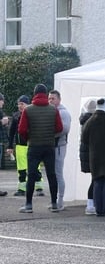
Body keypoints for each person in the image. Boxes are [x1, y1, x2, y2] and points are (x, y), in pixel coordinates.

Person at [18, 84, 63, 213]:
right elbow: (59, 128)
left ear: (35, 93)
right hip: (49, 146)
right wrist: (50, 134)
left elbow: (21, 129)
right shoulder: (54, 110)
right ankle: (54, 203)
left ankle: (28, 205)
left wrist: (29, 137)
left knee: (31, 175)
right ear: (45, 94)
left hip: (34, 146)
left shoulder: (28, 110)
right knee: (51, 174)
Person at [7, 95, 43, 197]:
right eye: (18, 104)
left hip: (32, 144)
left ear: (28, 104)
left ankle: (39, 187)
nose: (19, 106)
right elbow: (12, 132)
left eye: (22, 104)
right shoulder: (15, 116)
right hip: (20, 146)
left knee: (36, 167)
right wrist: (10, 146)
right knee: (21, 168)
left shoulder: (33, 114)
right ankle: (22, 189)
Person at [48, 90, 71, 211]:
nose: (50, 101)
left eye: (53, 98)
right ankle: (55, 200)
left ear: (59, 99)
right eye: (49, 98)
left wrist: (49, 134)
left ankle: (60, 201)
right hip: (53, 146)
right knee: (53, 174)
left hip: (59, 147)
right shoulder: (52, 111)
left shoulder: (63, 113)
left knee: (58, 173)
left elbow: (64, 129)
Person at [79, 100, 97, 214]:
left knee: (94, 179)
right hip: (92, 152)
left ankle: (91, 204)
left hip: (85, 152)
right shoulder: (93, 121)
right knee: (95, 179)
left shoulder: (84, 119)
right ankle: (91, 204)